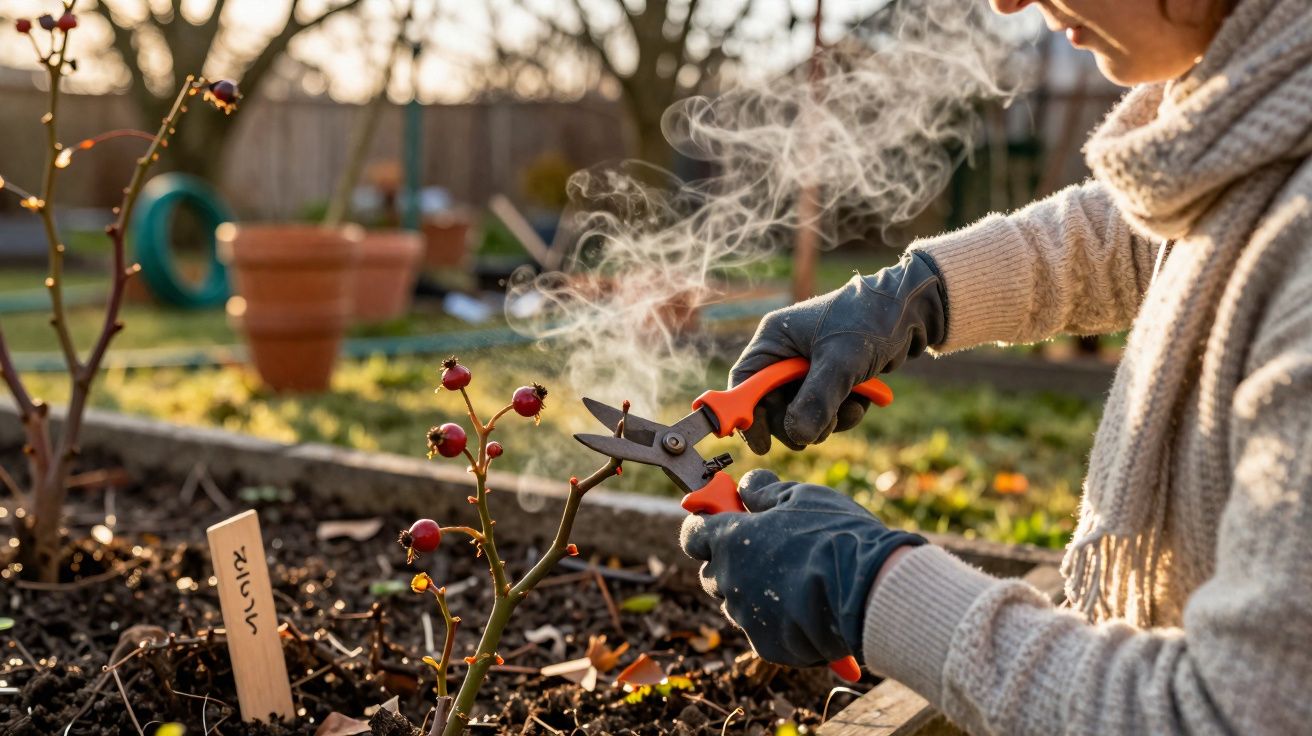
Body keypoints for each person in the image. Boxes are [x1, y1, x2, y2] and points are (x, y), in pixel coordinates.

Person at [680, 0, 1312, 732]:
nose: (1006, 2)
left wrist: (877, 592)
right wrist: (920, 294)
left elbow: (1226, 718)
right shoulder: (1273, 114)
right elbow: (1157, 234)